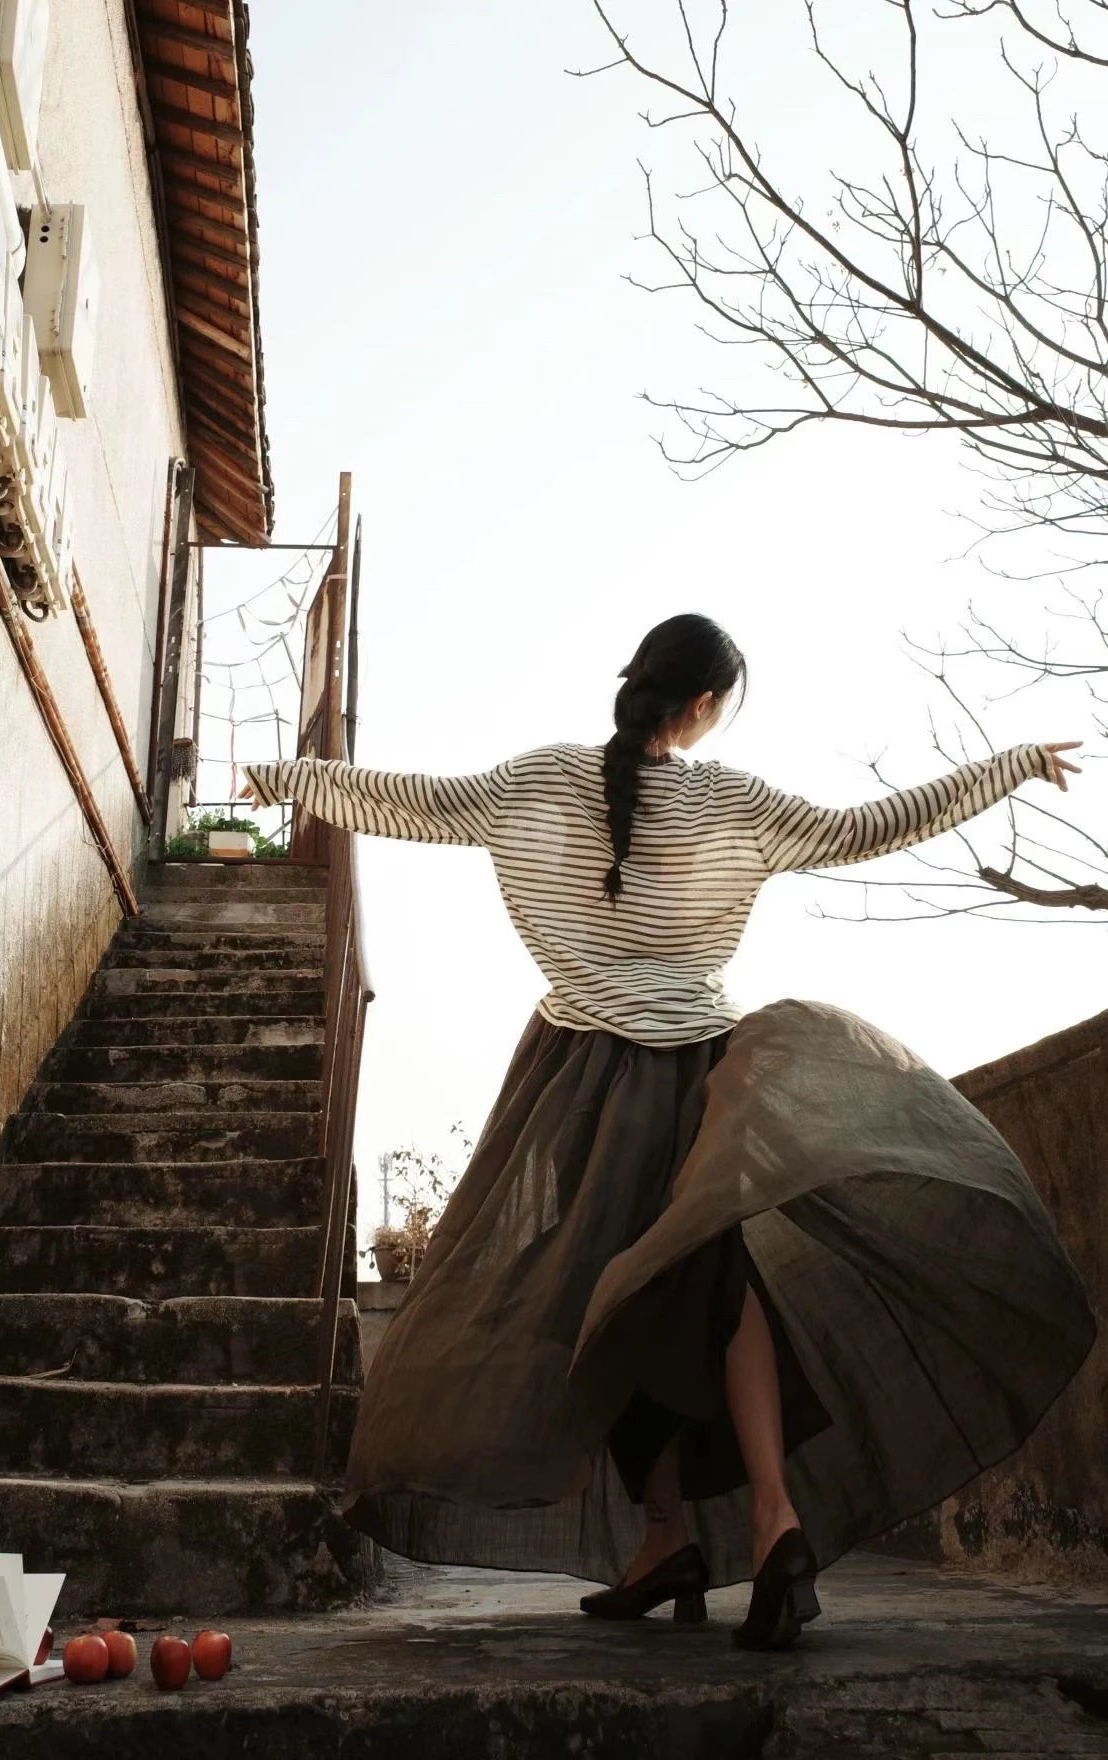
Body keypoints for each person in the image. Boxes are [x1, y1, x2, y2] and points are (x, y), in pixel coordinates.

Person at [240, 612, 1095, 1652]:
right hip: (701, 1077)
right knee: (705, 1287)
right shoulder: (734, 803)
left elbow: (404, 800)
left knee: (609, 1301)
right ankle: (747, 1523)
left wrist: (289, 778)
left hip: (575, 1085)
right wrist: (1008, 767)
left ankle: (683, 1533)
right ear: (701, 706)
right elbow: (871, 825)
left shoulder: (536, 781)